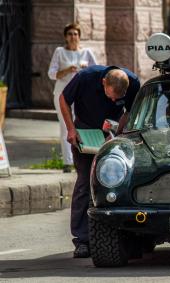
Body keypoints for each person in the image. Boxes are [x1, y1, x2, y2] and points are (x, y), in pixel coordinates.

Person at [59, 65, 140, 258]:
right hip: (84, 134)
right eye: (110, 96)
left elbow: (132, 111)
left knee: (116, 184)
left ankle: (124, 235)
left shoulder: (133, 82)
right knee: (85, 184)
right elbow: (63, 98)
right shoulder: (86, 77)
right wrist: (70, 129)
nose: (113, 101)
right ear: (103, 82)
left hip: (112, 135)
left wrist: (118, 130)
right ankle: (82, 240)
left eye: (116, 98)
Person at [48, 23, 97, 173]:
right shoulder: (60, 52)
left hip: (82, 96)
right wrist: (68, 70)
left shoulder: (87, 52)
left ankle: (84, 158)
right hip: (63, 95)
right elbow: (51, 73)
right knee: (66, 127)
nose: (73, 37)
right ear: (65, 37)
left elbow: (97, 71)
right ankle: (67, 162)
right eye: (70, 34)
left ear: (79, 36)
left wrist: (85, 70)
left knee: (83, 126)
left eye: (75, 34)